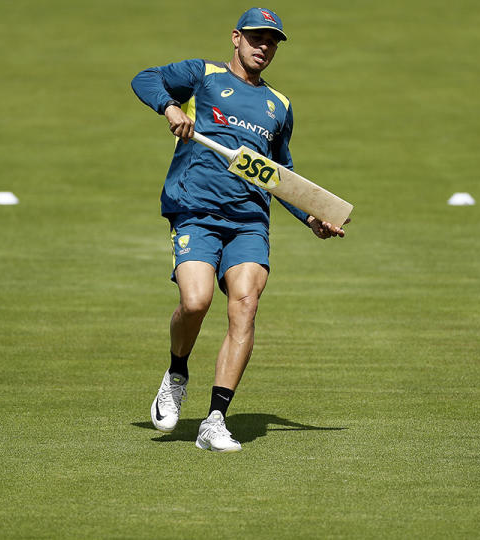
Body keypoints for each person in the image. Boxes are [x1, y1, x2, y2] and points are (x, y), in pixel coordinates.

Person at [131, 7, 347, 453]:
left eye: (272, 41)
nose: (263, 46)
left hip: (249, 220)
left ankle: (215, 419)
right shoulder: (203, 75)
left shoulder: (279, 105)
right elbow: (145, 78)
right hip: (195, 208)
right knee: (196, 302)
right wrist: (171, 107)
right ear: (236, 37)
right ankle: (176, 373)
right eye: (256, 37)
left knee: (244, 307)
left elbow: (279, 174)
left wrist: (311, 217)